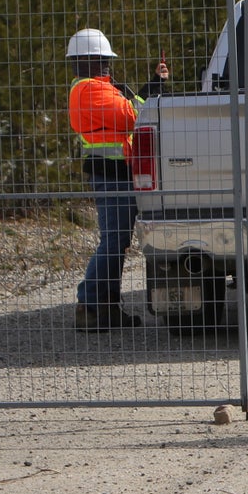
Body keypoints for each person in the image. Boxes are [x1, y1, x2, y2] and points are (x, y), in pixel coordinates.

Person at [66, 28, 168, 331]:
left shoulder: (104, 87)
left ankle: (107, 307)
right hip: (110, 175)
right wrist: (151, 93)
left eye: (107, 59)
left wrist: (154, 84)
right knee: (112, 241)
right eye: (101, 60)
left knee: (117, 241)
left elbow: (135, 104)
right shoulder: (88, 89)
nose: (107, 65)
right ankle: (91, 304)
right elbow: (133, 114)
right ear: (83, 61)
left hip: (119, 173)